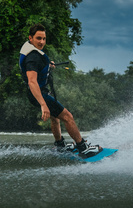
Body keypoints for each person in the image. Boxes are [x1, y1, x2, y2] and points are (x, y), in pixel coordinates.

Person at [19, 23, 102, 158]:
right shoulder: (32, 58)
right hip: (39, 94)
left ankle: (60, 145)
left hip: (35, 93)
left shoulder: (32, 51)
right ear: (31, 38)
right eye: (38, 38)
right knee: (67, 117)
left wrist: (47, 65)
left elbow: (38, 67)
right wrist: (43, 104)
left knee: (55, 118)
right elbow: (32, 81)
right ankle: (83, 148)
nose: (41, 42)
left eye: (44, 39)